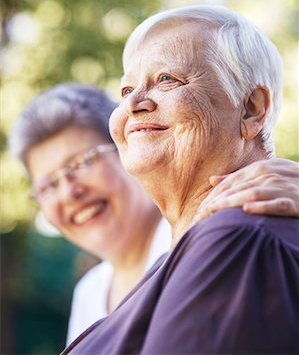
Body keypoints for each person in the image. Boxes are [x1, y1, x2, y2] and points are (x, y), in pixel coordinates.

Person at [60, 5, 299, 355]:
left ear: (251, 109)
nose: (134, 103)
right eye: (126, 90)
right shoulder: (180, 256)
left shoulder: (240, 237)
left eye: (166, 79)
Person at [9, 85, 297, 347]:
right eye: (49, 185)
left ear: (128, 147)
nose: (69, 192)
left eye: (81, 163)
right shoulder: (90, 292)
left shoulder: (210, 228)